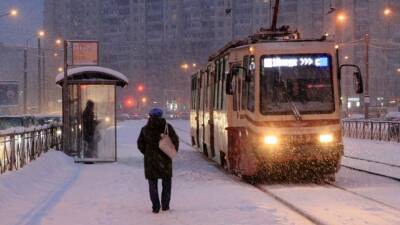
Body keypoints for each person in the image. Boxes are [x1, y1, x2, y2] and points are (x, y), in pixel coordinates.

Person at [137, 108, 179, 214]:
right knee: (166, 183)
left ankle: (155, 207)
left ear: (150, 116)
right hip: (165, 161)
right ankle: (165, 206)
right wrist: (169, 152)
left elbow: (140, 144)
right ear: (161, 116)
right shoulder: (167, 128)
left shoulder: (145, 129)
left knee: (152, 184)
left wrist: (147, 153)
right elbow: (175, 141)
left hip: (150, 161)